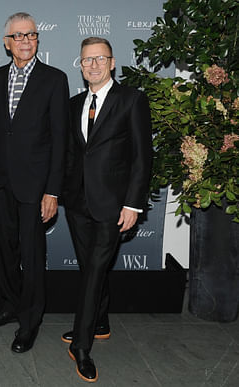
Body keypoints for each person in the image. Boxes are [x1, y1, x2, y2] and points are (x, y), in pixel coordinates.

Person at [62, 37, 152, 382]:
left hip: (114, 205)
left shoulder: (132, 100)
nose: (93, 65)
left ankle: (81, 345)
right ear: (81, 65)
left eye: (100, 59)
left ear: (112, 63)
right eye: (87, 60)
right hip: (78, 203)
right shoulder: (74, 104)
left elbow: (143, 157)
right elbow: (73, 154)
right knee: (90, 267)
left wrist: (133, 203)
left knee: (96, 269)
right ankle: (100, 321)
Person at [0, 12, 70, 353]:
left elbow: (60, 139)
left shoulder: (54, 79)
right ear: (7, 43)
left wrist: (53, 189)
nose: (24, 41)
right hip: (0, 183)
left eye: (30, 35)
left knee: (33, 255)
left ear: (37, 39)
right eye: (17, 36)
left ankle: (30, 321)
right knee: (5, 249)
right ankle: (10, 304)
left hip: (36, 186)